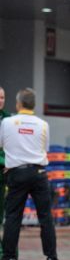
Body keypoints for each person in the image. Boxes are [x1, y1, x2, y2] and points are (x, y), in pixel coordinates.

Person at [0, 87, 62, 260]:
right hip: (39, 174)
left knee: (12, 217)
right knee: (45, 218)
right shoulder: (43, 124)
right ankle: (52, 259)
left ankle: (9, 259)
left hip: (16, 173)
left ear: (18, 104)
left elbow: (2, 144)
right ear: (33, 105)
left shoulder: (8, 122)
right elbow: (45, 148)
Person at [0, 86, 10, 248]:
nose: (0, 101)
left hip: (5, 173)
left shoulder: (9, 120)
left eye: (2, 97)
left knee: (4, 214)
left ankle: (7, 252)